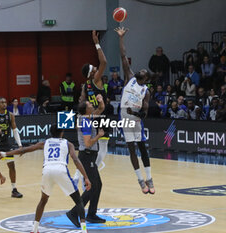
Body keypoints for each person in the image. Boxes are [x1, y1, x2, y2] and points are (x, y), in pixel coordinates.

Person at [1, 125, 92, 233]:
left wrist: (6, 153)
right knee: (79, 201)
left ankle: (34, 229)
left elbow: (25, 150)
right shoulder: (68, 144)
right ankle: (84, 230)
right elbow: (76, 160)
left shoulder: (45, 142)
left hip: (47, 170)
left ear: (50, 133)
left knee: (43, 200)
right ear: (62, 133)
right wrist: (86, 177)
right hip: (61, 169)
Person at [116, 27, 155, 194]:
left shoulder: (146, 91)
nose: (142, 70)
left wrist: (136, 114)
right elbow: (123, 56)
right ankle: (140, 180)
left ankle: (149, 178)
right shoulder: (130, 77)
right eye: (142, 70)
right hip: (125, 116)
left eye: (145, 72)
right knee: (131, 149)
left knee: (142, 147)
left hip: (136, 118)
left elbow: (145, 113)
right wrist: (121, 38)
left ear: (146, 78)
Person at [66, 94, 105, 225]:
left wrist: (101, 101)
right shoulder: (86, 122)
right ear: (86, 110)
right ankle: (74, 212)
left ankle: (92, 214)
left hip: (89, 156)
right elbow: (88, 143)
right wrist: (99, 136)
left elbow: (101, 109)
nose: (92, 106)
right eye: (90, 105)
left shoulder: (86, 117)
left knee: (98, 185)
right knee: (92, 187)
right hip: (87, 155)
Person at [79, 30, 109, 173]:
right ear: (92, 73)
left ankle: (84, 172)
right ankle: (91, 171)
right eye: (93, 68)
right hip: (101, 115)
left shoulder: (85, 86)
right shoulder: (96, 79)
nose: (96, 67)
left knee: (93, 148)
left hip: (91, 117)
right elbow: (104, 61)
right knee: (103, 148)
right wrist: (97, 43)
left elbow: (81, 102)